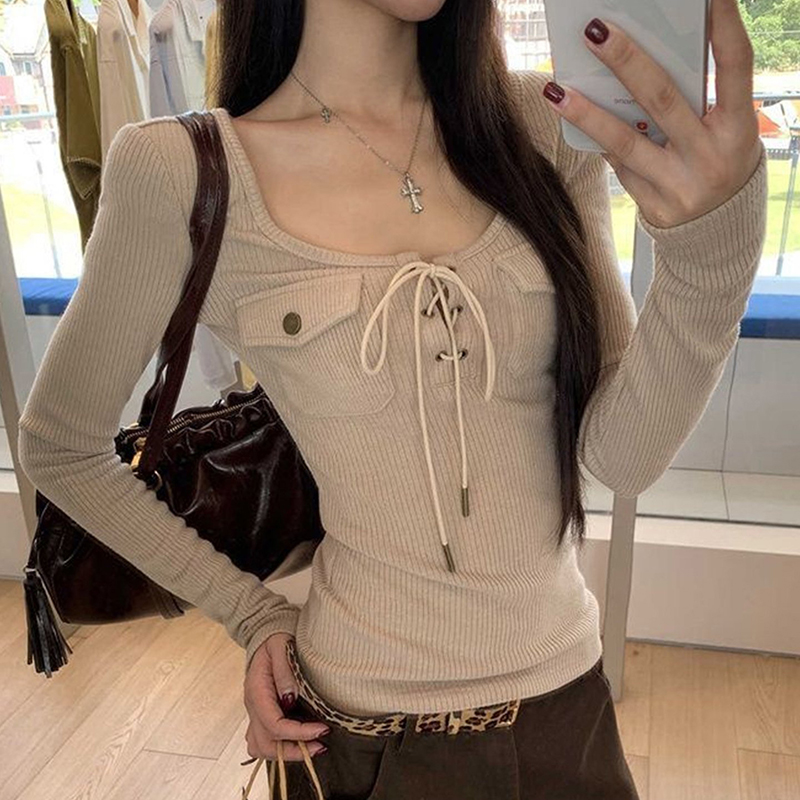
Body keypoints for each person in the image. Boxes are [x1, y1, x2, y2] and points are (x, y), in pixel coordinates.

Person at [16, 0, 767, 797]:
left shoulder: (542, 126)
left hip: (568, 709)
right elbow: (61, 447)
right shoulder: (183, 170)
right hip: (363, 734)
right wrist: (249, 612)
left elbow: (620, 457)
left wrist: (708, 257)